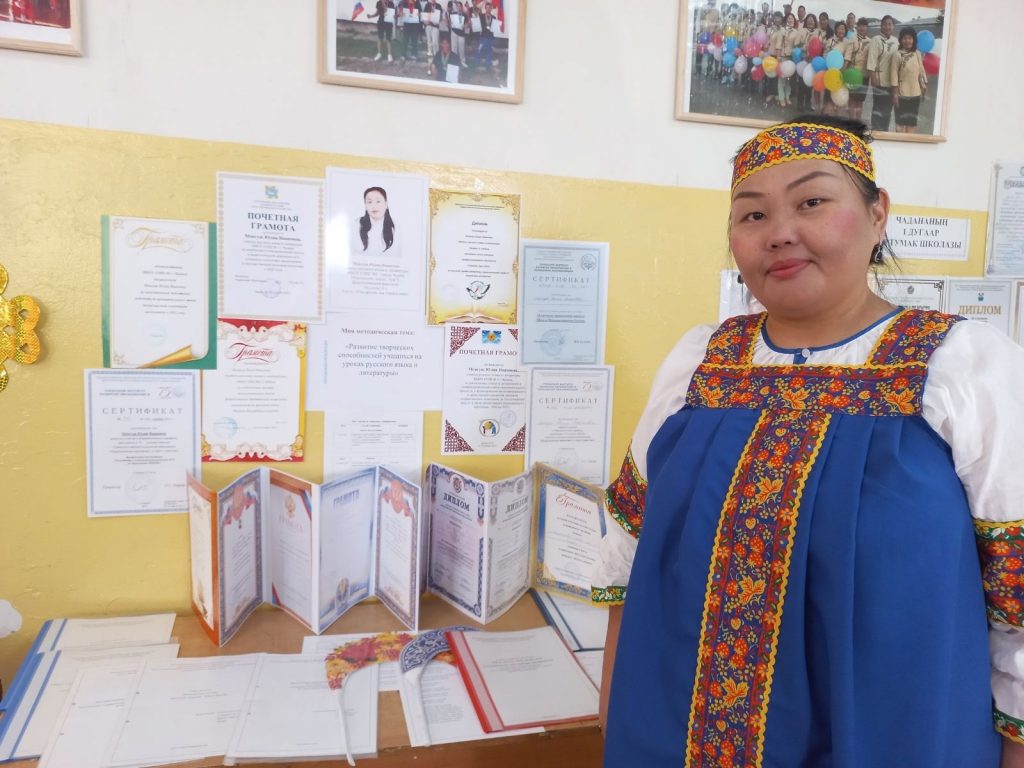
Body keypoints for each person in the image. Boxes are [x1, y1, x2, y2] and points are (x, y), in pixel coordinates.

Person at [593, 115, 1024, 767]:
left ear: (877, 215)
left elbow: (1016, 589)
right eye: (752, 214)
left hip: (891, 734)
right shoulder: (699, 364)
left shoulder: (963, 367)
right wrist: (613, 704)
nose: (779, 232)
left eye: (812, 201)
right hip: (677, 729)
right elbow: (629, 545)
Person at [889, 26, 928, 134]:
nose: (907, 41)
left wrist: (924, 87)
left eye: (910, 38)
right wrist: (895, 94)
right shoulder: (897, 55)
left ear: (914, 40)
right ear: (901, 40)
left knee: (911, 124)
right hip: (901, 95)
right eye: (905, 38)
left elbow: (921, 71)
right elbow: (893, 75)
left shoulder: (917, 53)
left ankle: (909, 143)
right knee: (900, 124)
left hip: (915, 94)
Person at [866, 14, 899, 131]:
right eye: (885, 24)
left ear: (893, 26)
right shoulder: (876, 40)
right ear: (881, 26)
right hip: (879, 83)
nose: (887, 27)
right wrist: (874, 82)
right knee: (877, 110)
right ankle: (875, 134)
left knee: (887, 111)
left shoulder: (896, 41)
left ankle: (884, 133)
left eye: (890, 24)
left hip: (892, 83)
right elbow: (871, 62)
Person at [355, 187, 400, 256]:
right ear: (365, 205)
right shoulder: (356, 224)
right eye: (369, 202)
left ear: (386, 204)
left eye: (378, 201)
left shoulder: (397, 226)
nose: (374, 206)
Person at [847, 17, 871, 122]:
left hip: (864, 75)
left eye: (864, 26)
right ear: (857, 27)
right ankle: (852, 123)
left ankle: (858, 121)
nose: (862, 28)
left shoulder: (870, 41)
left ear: (867, 28)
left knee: (860, 101)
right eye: (860, 26)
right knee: (852, 100)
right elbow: (847, 57)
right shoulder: (852, 39)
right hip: (853, 74)